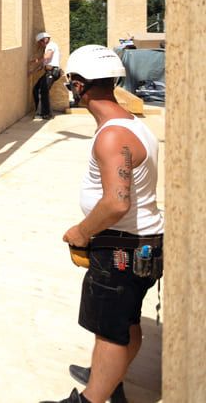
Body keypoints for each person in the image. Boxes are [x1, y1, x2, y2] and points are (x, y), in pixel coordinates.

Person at [41, 46, 164, 403]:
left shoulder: (112, 136)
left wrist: (82, 231)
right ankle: (108, 378)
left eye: (70, 82)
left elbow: (116, 201)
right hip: (141, 243)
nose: (68, 87)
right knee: (126, 323)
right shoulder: (130, 123)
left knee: (110, 333)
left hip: (121, 248)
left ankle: (92, 397)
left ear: (79, 85)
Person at [30, 31, 62, 119]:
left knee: (42, 91)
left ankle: (45, 114)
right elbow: (43, 64)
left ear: (44, 40)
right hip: (49, 72)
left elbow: (47, 57)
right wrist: (33, 71)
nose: (40, 44)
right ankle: (41, 112)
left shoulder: (51, 45)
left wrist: (36, 60)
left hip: (52, 72)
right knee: (36, 89)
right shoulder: (48, 47)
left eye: (40, 42)